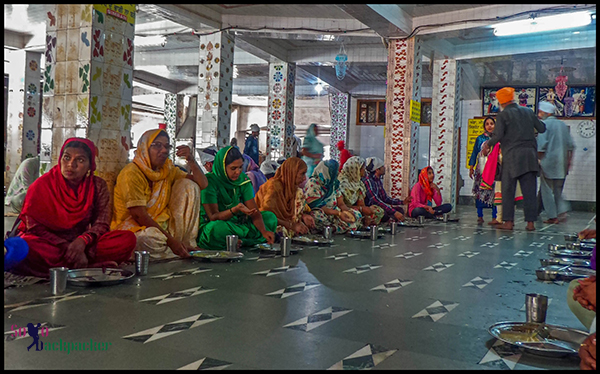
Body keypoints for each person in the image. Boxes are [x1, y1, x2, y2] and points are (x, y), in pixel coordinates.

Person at [12, 138, 136, 278]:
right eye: (66, 158)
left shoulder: (97, 186)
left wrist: (82, 242)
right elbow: (33, 226)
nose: (71, 164)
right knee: (26, 246)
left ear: (90, 166)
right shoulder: (42, 185)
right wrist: (67, 246)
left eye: (80, 160)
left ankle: (63, 268)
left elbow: (102, 223)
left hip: (83, 243)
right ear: (60, 159)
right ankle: (86, 265)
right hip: (51, 243)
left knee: (127, 239)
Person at [112, 129, 208, 259]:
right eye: (157, 145)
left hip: (164, 229)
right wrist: (172, 242)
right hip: (137, 229)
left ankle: (184, 245)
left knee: (190, 186)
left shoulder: (167, 169)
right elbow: (139, 216)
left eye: (167, 146)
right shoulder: (131, 173)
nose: (164, 150)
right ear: (144, 148)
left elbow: (202, 184)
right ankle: (178, 250)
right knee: (146, 240)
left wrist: (191, 160)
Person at [482, 86, 546, 231]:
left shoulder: (503, 115)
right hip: (530, 157)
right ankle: (530, 223)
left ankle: (508, 222)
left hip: (512, 157)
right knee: (529, 191)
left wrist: (488, 144)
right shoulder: (528, 111)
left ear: (501, 102)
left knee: (508, 190)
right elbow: (542, 128)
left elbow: (498, 136)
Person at [197, 146, 276, 250]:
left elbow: (254, 212)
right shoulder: (210, 182)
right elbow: (213, 217)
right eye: (233, 168)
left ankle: (239, 241)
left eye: (240, 167)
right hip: (222, 224)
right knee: (215, 229)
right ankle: (247, 241)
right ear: (222, 167)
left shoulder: (243, 180)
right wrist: (234, 210)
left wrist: (263, 231)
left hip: (240, 224)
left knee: (270, 218)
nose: (238, 172)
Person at [255, 157, 316, 238]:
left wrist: (304, 216)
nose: (304, 178)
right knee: (275, 228)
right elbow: (266, 215)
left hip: (286, 225)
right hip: (267, 224)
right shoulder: (274, 187)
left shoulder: (294, 189)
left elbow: (297, 211)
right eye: (302, 174)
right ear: (292, 173)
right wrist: (291, 226)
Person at [537, 101, 575, 224]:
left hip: (548, 162)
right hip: (562, 163)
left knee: (547, 190)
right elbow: (571, 146)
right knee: (558, 189)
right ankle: (562, 211)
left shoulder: (543, 125)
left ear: (546, 113)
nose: (539, 114)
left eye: (540, 112)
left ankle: (552, 216)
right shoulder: (563, 125)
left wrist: (538, 160)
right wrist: (569, 162)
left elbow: (541, 146)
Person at [303, 159, 361, 233]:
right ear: (326, 171)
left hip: (334, 213)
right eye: (334, 171)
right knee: (316, 216)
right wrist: (338, 213)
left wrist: (347, 211)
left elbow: (341, 203)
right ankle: (334, 228)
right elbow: (318, 206)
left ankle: (332, 228)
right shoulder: (314, 183)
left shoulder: (333, 184)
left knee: (356, 214)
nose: (337, 173)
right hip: (322, 212)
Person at [338, 156, 384, 228]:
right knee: (356, 215)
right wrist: (361, 209)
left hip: (356, 209)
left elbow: (361, 203)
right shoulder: (342, 184)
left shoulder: (358, 183)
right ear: (355, 170)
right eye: (362, 168)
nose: (364, 170)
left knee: (377, 210)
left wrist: (365, 214)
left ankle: (363, 224)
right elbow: (340, 205)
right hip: (344, 210)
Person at [469, 117, 499, 225]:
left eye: (492, 124)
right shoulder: (480, 138)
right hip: (481, 169)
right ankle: (480, 215)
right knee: (479, 192)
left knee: (494, 193)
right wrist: (471, 167)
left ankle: (494, 216)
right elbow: (474, 153)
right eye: (487, 124)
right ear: (484, 126)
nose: (490, 126)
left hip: (494, 170)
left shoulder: (498, 139)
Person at [363, 157, 412, 223]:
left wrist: (402, 202)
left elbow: (385, 198)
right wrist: (393, 212)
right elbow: (375, 200)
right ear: (377, 170)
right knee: (384, 214)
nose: (385, 168)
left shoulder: (378, 181)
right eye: (382, 166)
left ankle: (391, 219)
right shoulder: (368, 181)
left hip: (379, 207)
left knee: (400, 210)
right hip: (371, 208)